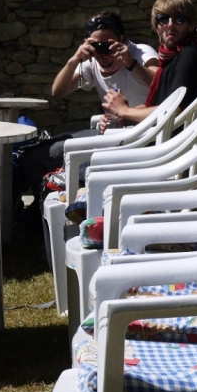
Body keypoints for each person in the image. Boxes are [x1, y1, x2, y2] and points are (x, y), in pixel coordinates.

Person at [16, 12, 158, 229]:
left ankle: (66, 219)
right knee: (35, 157)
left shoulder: (139, 53)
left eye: (108, 45)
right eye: (97, 45)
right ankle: (44, 217)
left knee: (72, 164)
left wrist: (130, 63)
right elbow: (58, 91)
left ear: (122, 38)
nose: (103, 53)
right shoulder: (93, 63)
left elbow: (160, 83)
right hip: (108, 132)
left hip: (135, 138)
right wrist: (75, 59)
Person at [101, 0, 197, 131]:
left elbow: (173, 110)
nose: (170, 25)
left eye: (179, 19)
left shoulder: (189, 55)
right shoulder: (173, 59)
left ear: (191, 25)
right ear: (156, 26)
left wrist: (124, 110)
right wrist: (124, 118)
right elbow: (164, 105)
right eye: (163, 19)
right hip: (162, 141)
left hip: (166, 147)